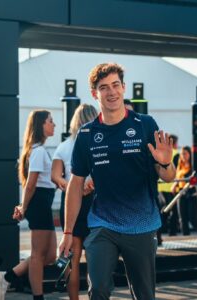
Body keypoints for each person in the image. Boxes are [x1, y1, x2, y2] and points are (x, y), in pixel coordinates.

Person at [58, 63, 176, 300]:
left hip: (141, 224)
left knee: (144, 295)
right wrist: (68, 232)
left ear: (123, 87)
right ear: (95, 94)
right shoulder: (87, 135)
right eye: (104, 88)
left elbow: (168, 176)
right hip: (103, 225)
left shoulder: (145, 125)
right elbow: (75, 184)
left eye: (115, 85)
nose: (111, 92)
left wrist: (165, 162)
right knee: (99, 288)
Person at [0, 110, 57, 300]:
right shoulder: (37, 151)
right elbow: (30, 184)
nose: (53, 124)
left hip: (43, 202)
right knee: (38, 255)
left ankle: (6, 277)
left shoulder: (40, 150)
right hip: (38, 204)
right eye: (50, 121)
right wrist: (23, 207)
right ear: (40, 125)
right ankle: (38, 297)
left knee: (50, 256)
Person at [51, 104, 98, 299]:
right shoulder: (97, 142)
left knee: (73, 258)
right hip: (95, 201)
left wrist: (70, 186)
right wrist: (86, 187)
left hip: (71, 203)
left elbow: (55, 177)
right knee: (95, 257)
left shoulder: (63, 146)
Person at [171, 146, 197, 235]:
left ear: (190, 155)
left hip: (191, 193)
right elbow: (178, 177)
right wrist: (174, 185)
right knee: (182, 218)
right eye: (182, 154)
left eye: (185, 154)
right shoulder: (180, 165)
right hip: (181, 192)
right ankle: (185, 235)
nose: (183, 156)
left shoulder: (193, 165)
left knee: (192, 218)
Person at [158, 134, 180, 236]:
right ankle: (172, 232)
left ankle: (161, 232)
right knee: (173, 211)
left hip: (160, 186)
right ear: (175, 143)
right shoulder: (176, 154)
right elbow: (177, 172)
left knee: (162, 209)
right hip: (171, 187)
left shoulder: (160, 153)